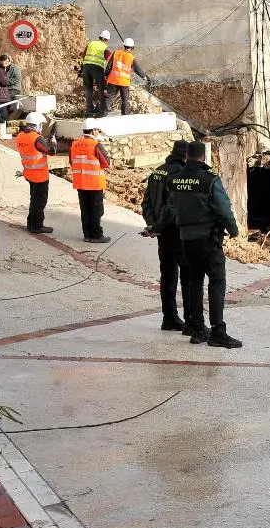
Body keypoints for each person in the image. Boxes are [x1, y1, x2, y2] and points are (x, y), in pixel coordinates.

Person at [166, 141, 243, 348]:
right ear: (203, 156)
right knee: (217, 282)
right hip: (208, 239)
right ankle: (218, 331)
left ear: (187, 156)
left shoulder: (174, 180)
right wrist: (234, 230)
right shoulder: (209, 180)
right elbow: (223, 208)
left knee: (194, 283)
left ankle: (198, 329)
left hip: (186, 239)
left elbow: (172, 207)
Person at [142, 139, 190, 332]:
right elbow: (172, 207)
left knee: (168, 275)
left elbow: (146, 202)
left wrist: (153, 225)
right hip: (177, 232)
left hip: (162, 233)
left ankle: (169, 318)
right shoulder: (180, 175)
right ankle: (192, 320)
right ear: (186, 156)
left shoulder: (157, 172)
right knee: (188, 277)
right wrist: (159, 225)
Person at [69, 118, 111, 244]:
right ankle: (97, 235)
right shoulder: (96, 145)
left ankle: (87, 235)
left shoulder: (74, 144)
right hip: (94, 184)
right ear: (93, 130)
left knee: (85, 210)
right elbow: (106, 163)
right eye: (97, 130)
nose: (98, 132)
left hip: (80, 183)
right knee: (96, 211)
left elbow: (72, 162)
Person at [15, 112, 56, 234]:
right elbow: (51, 151)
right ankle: (36, 226)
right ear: (37, 125)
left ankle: (31, 223)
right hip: (40, 176)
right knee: (39, 202)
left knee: (34, 199)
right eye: (41, 125)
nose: (41, 128)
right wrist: (53, 143)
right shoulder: (37, 138)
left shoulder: (20, 136)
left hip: (29, 173)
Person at [104, 37, 150, 116]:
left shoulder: (116, 53)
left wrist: (106, 74)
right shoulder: (131, 57)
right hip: (124, 83)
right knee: (125, 100)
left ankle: (103, 114)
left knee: (109, 97)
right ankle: (125, 115)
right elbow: (137, 69)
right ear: (132, 47)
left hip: (113, 80)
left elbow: (109, 65)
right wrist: (145, 78)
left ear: (124, 45)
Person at [80, 30, 111, 118]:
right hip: (97, 68)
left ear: (99, 37)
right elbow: (109, 59)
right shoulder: (105, 47)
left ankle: (89, 109)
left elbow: (83, 55)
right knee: (101, 88)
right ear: (107, 40)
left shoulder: (91, 43)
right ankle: (101, 108)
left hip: (86, 67)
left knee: (88, 88)